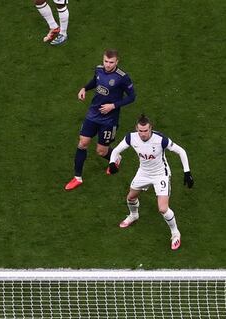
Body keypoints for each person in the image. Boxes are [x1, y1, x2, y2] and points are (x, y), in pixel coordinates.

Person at [107, 114, 194, 251]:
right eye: (140, 131)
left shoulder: (160, 140)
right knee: (130, 197)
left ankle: (175, 233)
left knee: (163, 208)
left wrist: (187, 172)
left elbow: (181, 151)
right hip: (143, 172)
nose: (143, 134)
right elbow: (116, 150)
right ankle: (134, 215)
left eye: (145, 131)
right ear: (137, 128)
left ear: (150, 128)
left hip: (160, 175)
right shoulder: (131, 137)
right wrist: (112, 162)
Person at [65, 50, 135, 190]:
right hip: (93, 114)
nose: (107, 65)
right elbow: (95, 81)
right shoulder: (99, 69)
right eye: (105, 61)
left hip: (109, 120)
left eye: (111, 62)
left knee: (101, 151)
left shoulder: (123, 77)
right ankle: (77, 177)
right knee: (83, 143)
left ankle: (116, 157)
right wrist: (84, 88)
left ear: (117, 62)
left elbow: (132, 97)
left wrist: (113, 106)